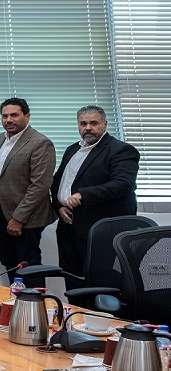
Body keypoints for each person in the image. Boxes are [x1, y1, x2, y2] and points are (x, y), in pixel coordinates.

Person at [52, 105, 140, 290]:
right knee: (72, 281)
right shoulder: (72, 149)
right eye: (83, 124)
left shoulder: (120, 150)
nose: (88, 128)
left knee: (99, 285)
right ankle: (75, 310)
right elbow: (59, 182)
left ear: (105, 124)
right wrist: (58, 206)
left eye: (94, 123)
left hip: (99, 231)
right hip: (68, 227)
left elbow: (124, 184)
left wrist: (84, 195)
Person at [0, 97, 56, 288]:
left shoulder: (40, 143)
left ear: (27, 116)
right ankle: (16, 301)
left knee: (28, 265)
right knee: (9, 261)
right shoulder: (0, 139)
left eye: (14, 115)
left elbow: (40, 185)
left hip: (26, 217)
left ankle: (36, 303)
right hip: (1, 211)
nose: (9, 120)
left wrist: (18, 218)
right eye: (4, 116)